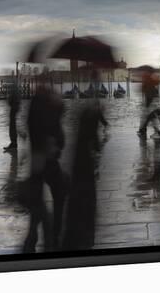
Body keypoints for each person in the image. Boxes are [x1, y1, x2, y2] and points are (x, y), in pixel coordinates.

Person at [22, 85, 68, 253]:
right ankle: (52, 236)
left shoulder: (35, 106)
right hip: (47, 163)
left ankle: (33, 238)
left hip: (37, 162)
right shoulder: (49, 113)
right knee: (58, 194)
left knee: (38, 201)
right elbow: (60, 139)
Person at [62, 99, 108, 250]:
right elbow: (93, 136)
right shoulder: (93, 116)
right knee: (87, 193)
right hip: (85, 163)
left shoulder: (87, 116)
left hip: (81, 161)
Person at [138, 71, 160, 137]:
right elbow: (150, 93)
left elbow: (149, 95)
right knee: (152, 116)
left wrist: (148, 104)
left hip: (151, 103)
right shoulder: (150, 83)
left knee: (151, 117)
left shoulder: (148, 83)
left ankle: (156, 132)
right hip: (152, 103)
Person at [3, 82, 21, 152]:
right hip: (14, 107)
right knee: (12, 125)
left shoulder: (14, 89)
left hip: (14, 108)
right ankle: (14, 143)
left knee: (12, 125)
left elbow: (11, 99)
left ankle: (14, 143)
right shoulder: (16, 89)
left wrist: (10, 102)